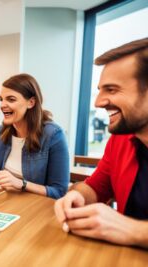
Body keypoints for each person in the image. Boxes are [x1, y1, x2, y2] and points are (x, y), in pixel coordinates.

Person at [54, 38, 148, 248]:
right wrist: (77, 196)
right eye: (100, 89)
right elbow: (96, 188)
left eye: (112, 89)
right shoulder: (120, 139)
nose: (98, 102)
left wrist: (133, 231)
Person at [0, 74, 69, 199]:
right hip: (6, 202)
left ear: (31, 102)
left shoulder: (54, 135)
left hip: (35, 208)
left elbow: (59, 192)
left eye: (11, 99)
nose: (2, 105)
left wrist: (21, 184)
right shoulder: (2, 131)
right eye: (1, 99)